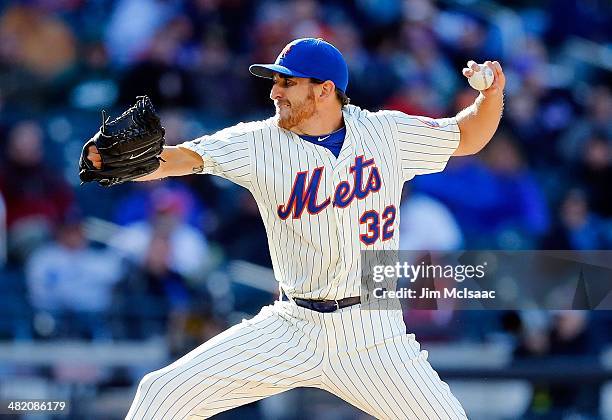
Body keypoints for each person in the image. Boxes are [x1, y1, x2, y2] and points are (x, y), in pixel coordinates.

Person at [85, 37, 505, 419]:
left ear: (325, 90)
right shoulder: (257, 142)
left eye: (288, 83)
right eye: (275, 82)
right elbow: (182, 158)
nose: (274, 92)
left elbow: (467, 136)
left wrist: (491, 95)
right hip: (291, 326)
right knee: (162, 393)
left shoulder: (385, 133)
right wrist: (119, 164)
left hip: (373, 334)